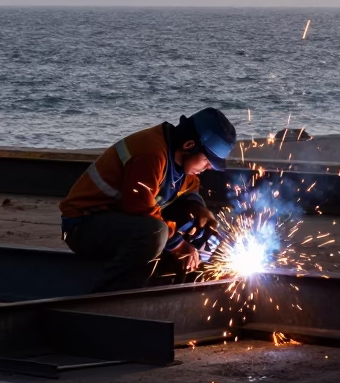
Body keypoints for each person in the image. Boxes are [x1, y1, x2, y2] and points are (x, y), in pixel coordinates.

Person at [60, 107, 236, 290]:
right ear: (189, 145)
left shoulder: (177, 156)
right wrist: (179, 246)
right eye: (207, 160)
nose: (209, 167)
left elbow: (189, 187)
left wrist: (197, 207)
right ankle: (110, 293)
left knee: (190, 222)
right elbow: (139, 209)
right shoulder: (151, 153)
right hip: (83, 226)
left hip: (117, 218)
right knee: (155, 233)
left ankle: (168, 283)